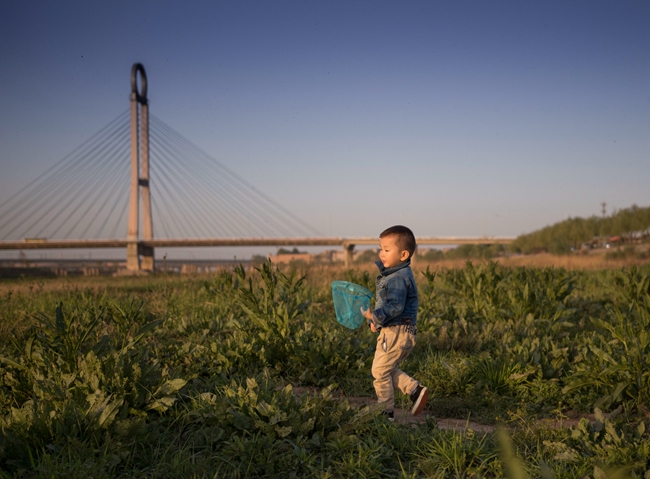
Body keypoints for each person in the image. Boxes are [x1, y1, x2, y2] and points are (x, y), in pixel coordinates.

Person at [361, 225, 428, 421]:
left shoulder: (398, 277)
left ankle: (386, 412)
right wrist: (378, 324)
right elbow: (390, 307)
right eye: (380, 248)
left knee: (379, 371)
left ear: (403, 254)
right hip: (397, 330)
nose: (381, 253)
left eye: (387, 250)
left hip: (396, 331)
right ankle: (415, 390)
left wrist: (373, 316)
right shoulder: (395, 274)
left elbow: (395, 307)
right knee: (386, 368)